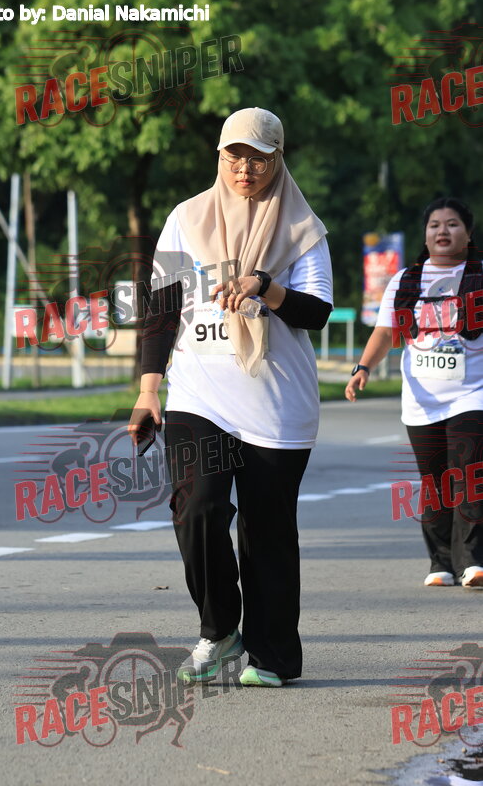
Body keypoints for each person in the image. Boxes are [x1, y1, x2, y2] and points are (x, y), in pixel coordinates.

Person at [128, 107, 333, 686]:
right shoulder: (185, 219)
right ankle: (219, 632)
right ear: (219, 156)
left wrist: (265, 287)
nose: (245, 167)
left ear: (278, 159)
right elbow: (161, 310)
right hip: (200, 396)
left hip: (277, 401)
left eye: (259, 157)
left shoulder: (301, 227)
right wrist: (148, 390)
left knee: (267, 533)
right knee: (196, 508)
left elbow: (317, 311)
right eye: (234, 155)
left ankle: (272, 656)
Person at [345, 197, 483, 588]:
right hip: (421, 400)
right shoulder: (406, 280)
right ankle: (441, 562)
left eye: (452, 224)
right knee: (435, 481)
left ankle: (472, 561)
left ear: (468, 233)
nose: (443, 231)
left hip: (472, 393)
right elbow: (385, 332)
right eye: (435, 225)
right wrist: (362, 368)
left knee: (468, 473)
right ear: (425, 235)